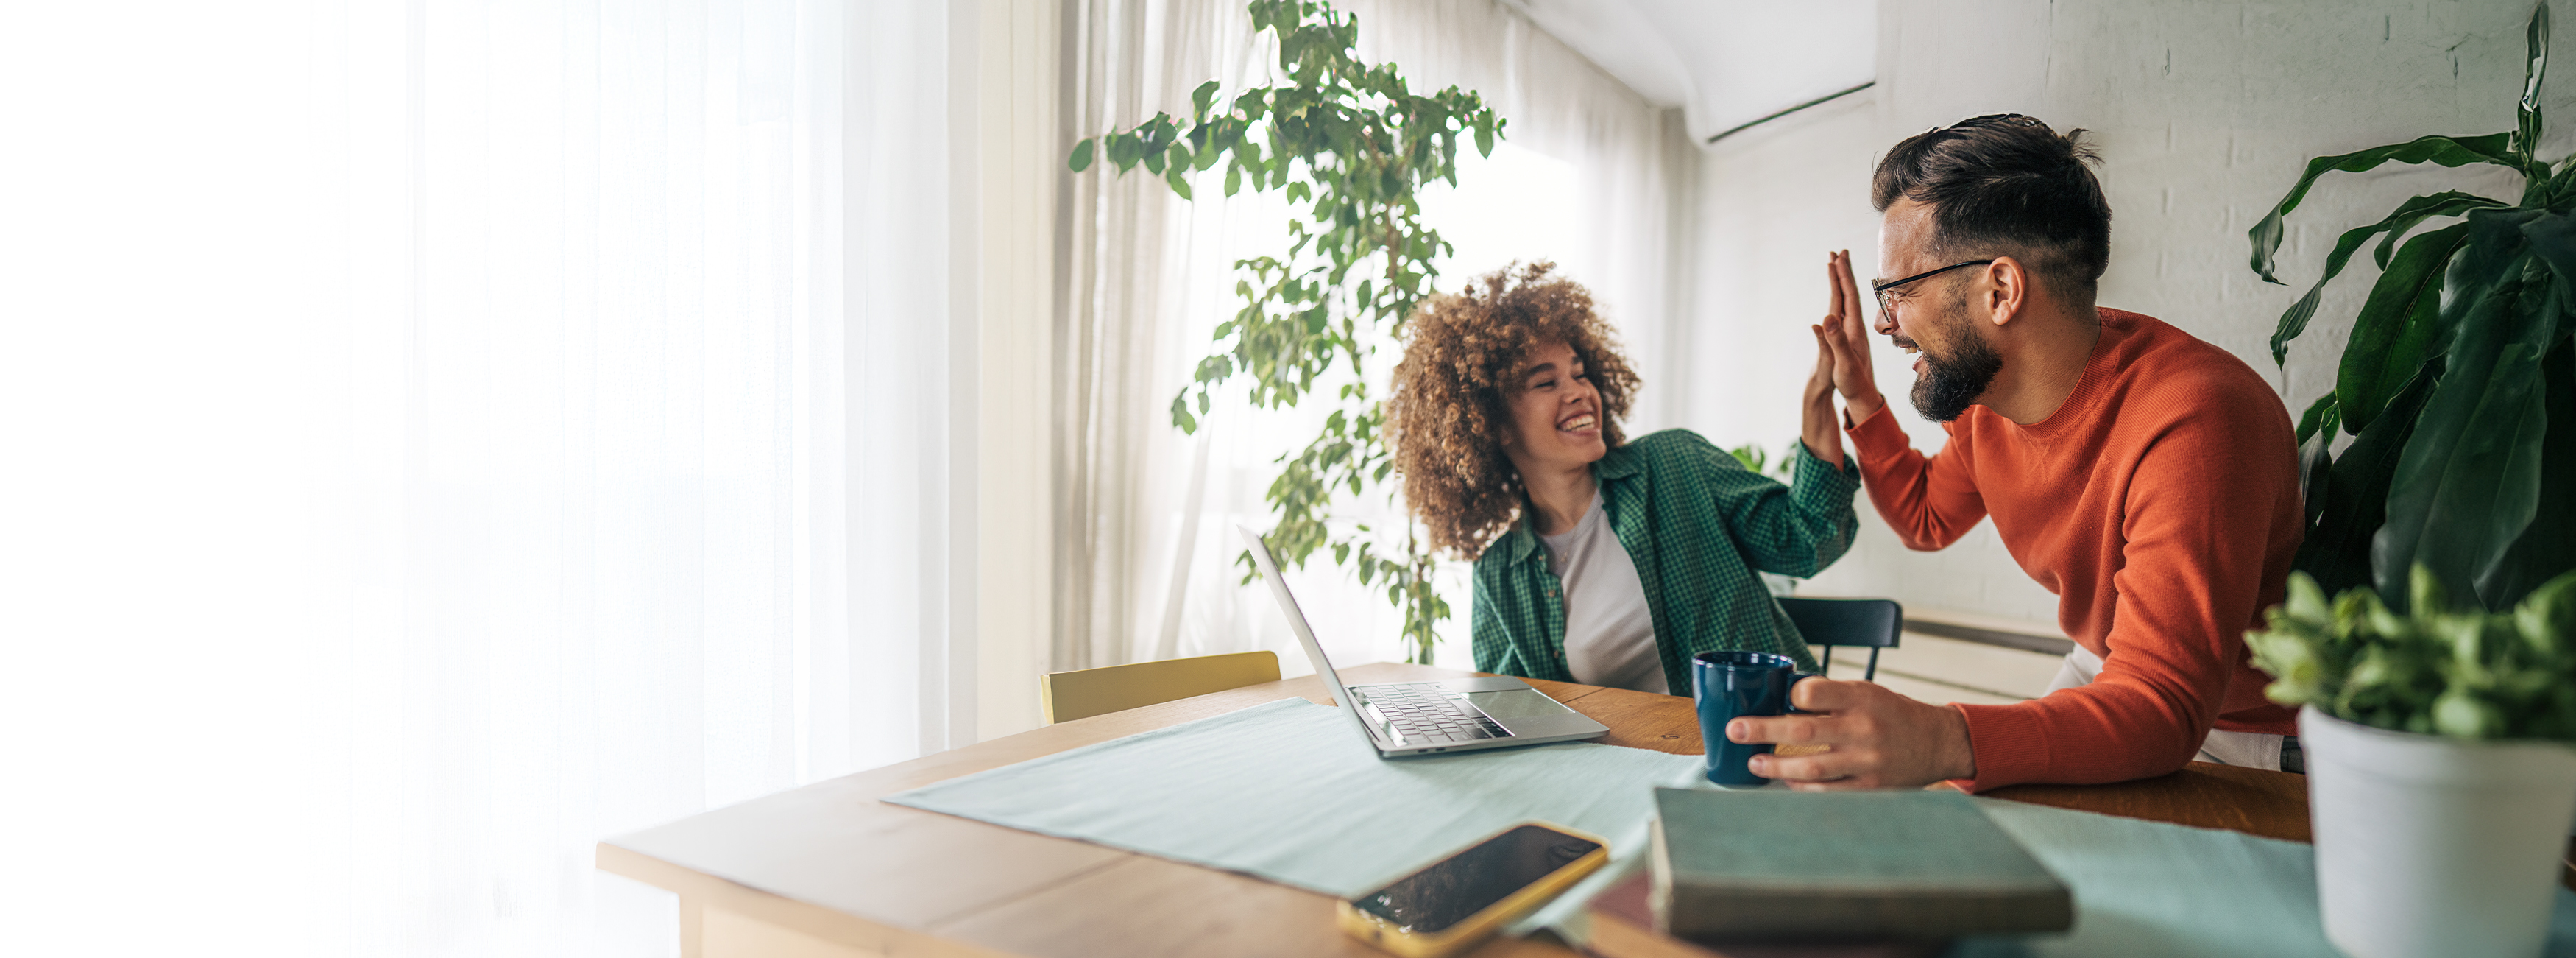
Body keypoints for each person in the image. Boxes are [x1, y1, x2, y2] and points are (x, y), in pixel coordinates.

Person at [1729, 115, 2305, 790]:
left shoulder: (2196, 421)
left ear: (2000, 291)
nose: (1884, 321)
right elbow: (1925, 519)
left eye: (1899, 290)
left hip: (2240, 730)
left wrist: (1944, 735)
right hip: (2107, 664)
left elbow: (2164, 703)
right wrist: (1858, 393)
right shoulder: (1985, 404)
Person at [1385, 261, 1861, 695]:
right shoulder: (1500, 574)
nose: (1579, 392)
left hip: (1769, 753)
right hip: (1628, 777)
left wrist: (1819, 396)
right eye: (1546, 382)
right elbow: (1519, 711)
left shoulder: (1674, 464)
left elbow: (1808, 540)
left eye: (1579, 373)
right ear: (1493, 424)